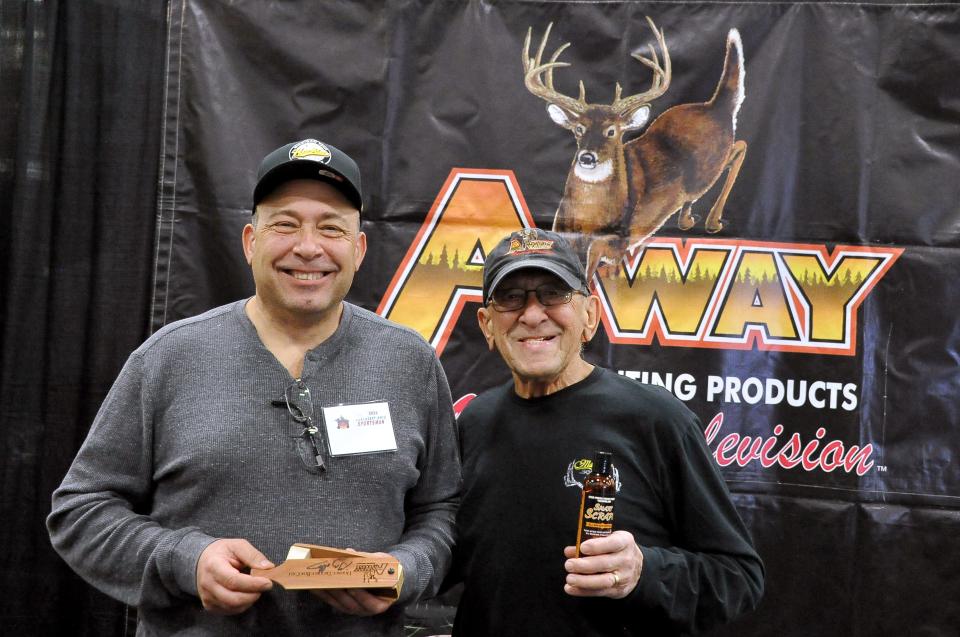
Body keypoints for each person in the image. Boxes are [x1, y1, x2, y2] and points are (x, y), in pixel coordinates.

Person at [48, 138, 461, 636]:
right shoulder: (169, 358)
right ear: (250, 241)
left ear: (358, 249)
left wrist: (404, 570)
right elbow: (81, 512)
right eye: (285, 224)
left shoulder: (409, 361)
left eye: (331, 227)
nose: (308, 247)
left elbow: (443, 511)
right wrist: (187, 560)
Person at [451, 228, 763, 636]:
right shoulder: (472, 424)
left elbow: (739, 577)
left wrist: (643, 572)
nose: (531, 314)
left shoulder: (656, 420)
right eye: (511, 298)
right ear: (487, 324)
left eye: (552, 294)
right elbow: (444, 555)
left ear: (590, 317)